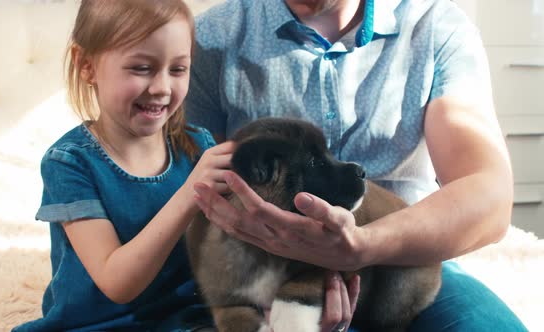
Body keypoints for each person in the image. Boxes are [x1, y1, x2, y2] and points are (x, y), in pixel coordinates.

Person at [186, 0, 529, 331]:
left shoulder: (436, 26)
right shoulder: (211, 37)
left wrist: (363, 246)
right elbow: (199, 196)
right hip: (268, 273)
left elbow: (490, 197)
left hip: (407, 265)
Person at [12, 0, 239, 331]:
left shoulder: (198, 146)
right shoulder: (70, 162)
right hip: (98, 324)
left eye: (178, 69)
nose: (162, 87)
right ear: (86, 65)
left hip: (187, 318)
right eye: (141, 68)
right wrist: (191, 193)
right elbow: (118, 284)